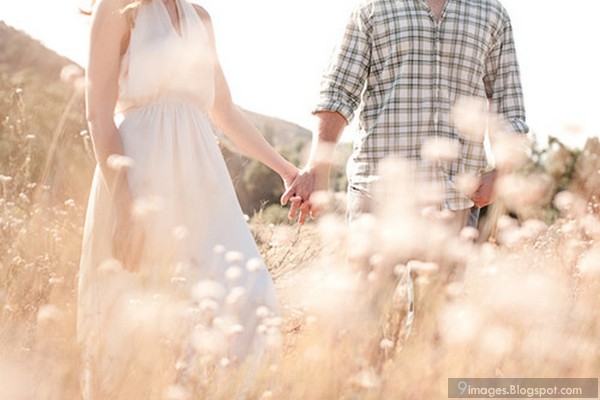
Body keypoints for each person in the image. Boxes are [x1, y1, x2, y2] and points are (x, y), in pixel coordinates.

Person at [79, 0, 298, 397]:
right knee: (151, 313)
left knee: (252, 295)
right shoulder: (117, 8)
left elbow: (225, 111)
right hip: (141, 179)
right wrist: (126, 206)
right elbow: (98, 115)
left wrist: (285, 170)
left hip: (204, 184)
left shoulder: (201, 18)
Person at [282, 0, 528, 227]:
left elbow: (508, 105)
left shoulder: (492, 13)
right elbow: (338, 93)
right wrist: (316, 168)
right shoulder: (372, 8)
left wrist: (501, 173)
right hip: (376, 198)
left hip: (456, 203)